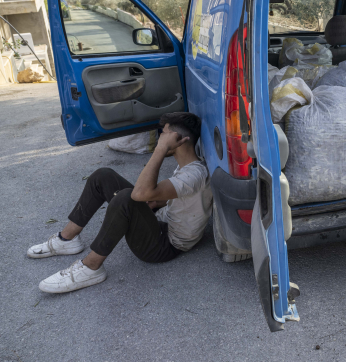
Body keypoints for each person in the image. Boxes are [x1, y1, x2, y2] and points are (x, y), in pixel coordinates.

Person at [27, 112, 212, 294]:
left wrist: (160, 150)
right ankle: (66, 240)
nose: (160, 138)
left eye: (163, 134)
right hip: (161, 221)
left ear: (180, 139)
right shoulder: (188, 168)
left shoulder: (193, 174)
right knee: (103, 176)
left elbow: (139, 193)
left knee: (126, 198)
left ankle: (91, 268)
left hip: (166, 245)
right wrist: (158, 203)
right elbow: (183, 196)